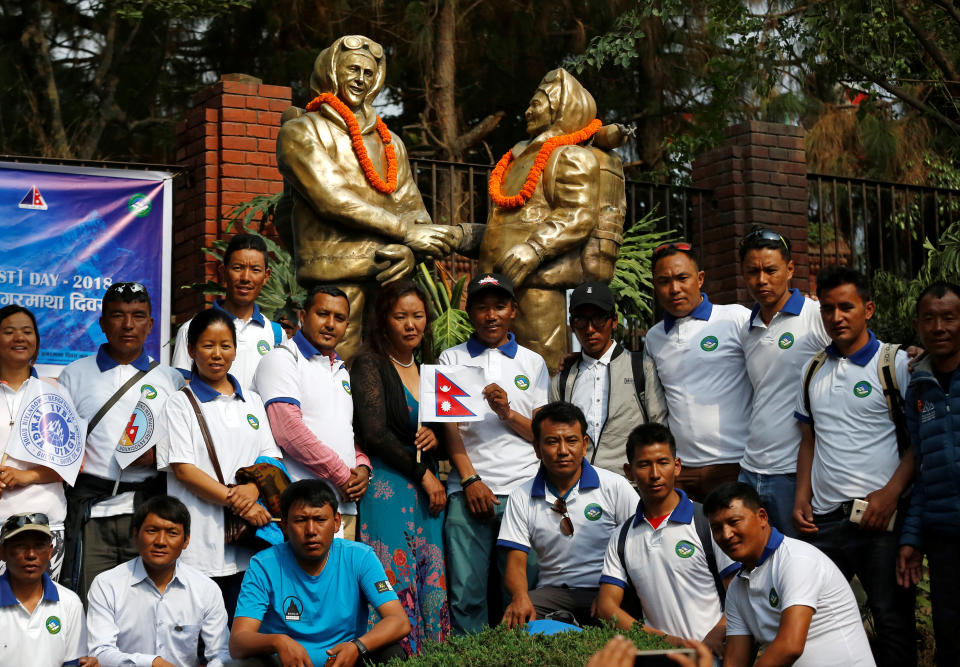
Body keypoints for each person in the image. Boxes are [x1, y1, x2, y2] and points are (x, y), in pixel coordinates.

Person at [276, 34, 457, 360]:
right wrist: (405, 234)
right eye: (353, 69)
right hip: (335, 281)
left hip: (389, 277)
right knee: (333, 376)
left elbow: (414, 211)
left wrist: (409, 252)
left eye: (369, 73)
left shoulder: (391, 143)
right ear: (332, 71)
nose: (361, 79)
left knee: (387, 378)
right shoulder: (303, 130)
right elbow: (330, 198)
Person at [792, 265, 916, 667]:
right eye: (827, 309)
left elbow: (920, 442)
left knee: (892, 621)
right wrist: (801, 497)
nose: (836, 317)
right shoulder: (813, 369)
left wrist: (891, 494)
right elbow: (809, 438)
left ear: (869, 309)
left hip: (881, 521)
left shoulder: (894, 363)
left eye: (846, 307)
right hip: (826, 522)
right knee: (818, 620)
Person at [476, 68, 627, 373]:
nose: (528, 110)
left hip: (538, 286)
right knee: (492, 372)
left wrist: (534, 249)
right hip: (495, 287)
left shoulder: (569, 155)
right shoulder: (517, 160)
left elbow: (578, 214)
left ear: (560, 108)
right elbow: (502, 224)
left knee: (541, 375)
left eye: (537, 103)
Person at [439, 272, 550, 634]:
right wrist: (470, 479)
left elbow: (542, 436)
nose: (491, 316)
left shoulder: (532, 363)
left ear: (513, 311)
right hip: (467, 492)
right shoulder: (450, 359)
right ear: (469, 312)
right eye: (482, 308)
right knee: (466, 596)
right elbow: (449, 429)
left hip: (523, 492)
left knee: (522, 595)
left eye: (499, 306)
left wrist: (506, 413)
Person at [60, 282, 184, 600]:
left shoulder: (170, 379)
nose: (128, 325)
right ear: (103, 323)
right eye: (117, 315)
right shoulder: (74, 375)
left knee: (145, 608)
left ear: (150, 324)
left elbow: (188, 444)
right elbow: (59, 443)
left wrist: (158, 455)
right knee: (90, 606)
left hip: (147, 517)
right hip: (90, 515)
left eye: (138, 316)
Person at [158, 308, 281, 620]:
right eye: (207, 345)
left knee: (244, 635)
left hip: (249, 544)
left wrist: (253, 489)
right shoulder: (179, 403)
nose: (217, 354)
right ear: (190, 350)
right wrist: (239, 502)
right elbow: (184, 470)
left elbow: (270, 457)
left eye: (225, 345)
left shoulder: (252, 401)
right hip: (199, 547)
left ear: (235, 350)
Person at [348, 279, 449, 654]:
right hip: (389, 487)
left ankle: (432, 659)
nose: (411, 325)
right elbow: (374, 434)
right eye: (400, 316)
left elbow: (437, 428)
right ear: (383, 321)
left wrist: (436, 440)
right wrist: (423, 473)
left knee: (429, 579)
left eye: (418, 316)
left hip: (427, 495)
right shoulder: (368, 364)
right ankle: (394, 658)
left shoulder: (429, 369)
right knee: (392, 578)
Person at [229, 480, 410, 665]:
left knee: (392, 653)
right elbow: (237, 642)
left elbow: (399, 620)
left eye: (320, 520)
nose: (311, 531)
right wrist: (277, 642)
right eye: (300, 520)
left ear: (337, 522)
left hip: (346, 662)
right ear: (284, 525)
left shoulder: (360, 558)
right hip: (286, 663)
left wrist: (357, 646)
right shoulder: (263, 565)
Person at [595, 423, 735, 659]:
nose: (655, 474)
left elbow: (740, 593)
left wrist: (717, 634)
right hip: (657, 659)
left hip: (713, 656)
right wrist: (669, 643)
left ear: (677, 466)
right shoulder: (621, 536)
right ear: (629, 472)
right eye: (644, 465)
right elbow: (607, 608)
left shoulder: (708, 523)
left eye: (663, 462)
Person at [497, 401, 637, 627]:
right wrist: (520, 597)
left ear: (584, 445)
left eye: (571, 441)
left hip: (609, 591)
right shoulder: (521, 496)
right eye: (552, 442)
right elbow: (515, 563)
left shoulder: (615, 486)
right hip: (553, 593)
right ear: (537, 448)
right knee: (518, 620)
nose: (563, 451)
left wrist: (613, 593)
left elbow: (640, 544)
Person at [706, 482, 875, 667]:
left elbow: (790, 646)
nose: (726, 534)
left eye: (734, 522)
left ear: (762, 517)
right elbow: (735, 661)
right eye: (716, 528)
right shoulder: (737, 590)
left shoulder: (796, 560)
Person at [254, 285, 371, 541]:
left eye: (339, 318)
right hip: (303, 508)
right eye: (323, 314)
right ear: (303, 316)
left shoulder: (341, 369)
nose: (330, 324)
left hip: (343, 507)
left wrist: (362, 466)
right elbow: (288, 430)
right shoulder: (283, 359)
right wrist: (342, 474)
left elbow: (343, 430)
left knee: (339, 581)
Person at [738, 228, 830, 536]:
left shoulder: (815, 315)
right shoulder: (746, 329)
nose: (761, 280)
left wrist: (911, 353)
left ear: (790, 269)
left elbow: (861, 347)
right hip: (750, 469)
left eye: (770, 270)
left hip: (795, 473)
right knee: (756, 570)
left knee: (800, 568)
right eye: (752, 271)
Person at [643, 242, 752, 501]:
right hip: (681, 471)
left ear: (700, 278)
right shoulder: (654, 337)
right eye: (664, 281)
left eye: (683, 278)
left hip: (735, 463)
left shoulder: (735, 319)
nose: (675, 288)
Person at [86, 495, 230, 667]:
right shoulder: (106, 584)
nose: (161, 542)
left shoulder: (206, 589)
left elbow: (221, 654)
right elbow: (100, 652)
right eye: (152, 531)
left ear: (186, 540)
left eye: (172, 533)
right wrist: (151, 663)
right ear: (135, 535)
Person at [897, 281, 960, 667]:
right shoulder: (918, 387)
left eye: (949, 318)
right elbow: (922, 469)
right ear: (918, 325)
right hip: (943, 537)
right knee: (951, 636)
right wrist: (912, 537)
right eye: (929, 319)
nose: (939, 327)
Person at [550, 282, 666, 475]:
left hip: (631, 486)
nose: (589, 329)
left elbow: (659, 429)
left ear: (614, 320)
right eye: (581, 320)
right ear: (572, 322)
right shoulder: (562, 382)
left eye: (599, 319)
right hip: (580, 489)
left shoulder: (641, 368)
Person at [0, 305, 69, 580]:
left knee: (39, 613)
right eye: (8, 331)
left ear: (37, 343)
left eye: (27, 332)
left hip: (45, 526)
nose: (19, 338)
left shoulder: (55, 390)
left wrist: (26, 476)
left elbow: (73, 462)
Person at [172, 234, 287, 390]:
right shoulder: (191, 329)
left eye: (255, 270)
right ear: (223, 271)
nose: (246, 277)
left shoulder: (276, 334)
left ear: (266, 276)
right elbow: (181, 392)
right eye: (238, 268)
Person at [0, 512, 95, 666]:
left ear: (50, 551)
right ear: (2, 551)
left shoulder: (70, 603)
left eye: (39, 545)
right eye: (20, 545)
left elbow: (72, 663)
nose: (31, 554)